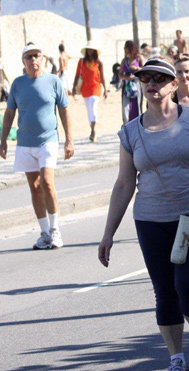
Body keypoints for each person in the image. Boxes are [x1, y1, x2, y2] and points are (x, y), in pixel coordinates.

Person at [98, 56, 189, 371]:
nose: (152, 84)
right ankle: (176, 361)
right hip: (150, 220)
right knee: (164, 292)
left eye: (160, 78)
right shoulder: (130, 132)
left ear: (174, 85)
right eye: (146, 79)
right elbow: (124, 185)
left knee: (187, 284)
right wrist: (108, 234)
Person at [0, 44, 74, 249]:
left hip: (48, 141)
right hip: (25, 143)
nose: (33, 59)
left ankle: (55, 230)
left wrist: (69, 139)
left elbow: (64, 110)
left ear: (42, 58)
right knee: (34, 187)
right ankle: (44, 234)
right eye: (28, 56)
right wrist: (3, 140)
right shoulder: (17, 84)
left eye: (36, 55)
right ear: (23, 61)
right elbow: (9, 113)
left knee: (47, 183)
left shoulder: (53, 81)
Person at [73, 43, 108, 142]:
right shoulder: (81, 62)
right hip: (85, 89)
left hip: (96, 88)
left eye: (92, 50)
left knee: (93, 107)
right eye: (88, 49)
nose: (90, 51)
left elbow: (102, 77)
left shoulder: (99, 63)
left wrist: (105, 89)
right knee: (89, 110)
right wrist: (74, 87)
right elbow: (77, 75)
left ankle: (93, 130)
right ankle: (91, 128)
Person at [119, 40, 144, 123]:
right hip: (127, 87)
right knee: (126, 108)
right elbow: (120, 74)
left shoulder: (139, 58)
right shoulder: (124, 60)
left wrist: (137, 69)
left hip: (137, 85)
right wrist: (127, 78)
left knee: (137, 106)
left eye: (125, 48)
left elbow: (145, 70)